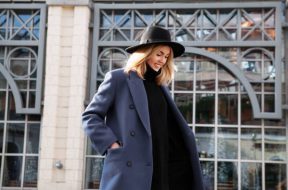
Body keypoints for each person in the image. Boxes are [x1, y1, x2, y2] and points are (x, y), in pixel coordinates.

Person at [82, 26, 204, 190]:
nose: (162, 60)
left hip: (161, 164)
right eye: (159, 54)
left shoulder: (161, 87)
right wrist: (111, 144)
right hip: (131, 166)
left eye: (166, 56)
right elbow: (90, 116)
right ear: (146, 52)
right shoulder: (119, 78)